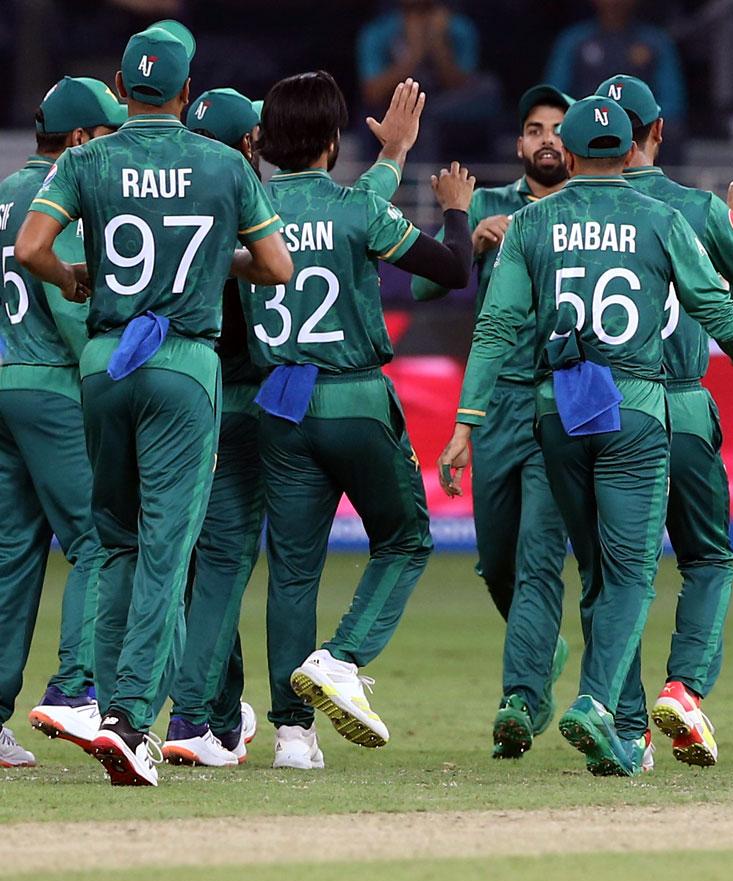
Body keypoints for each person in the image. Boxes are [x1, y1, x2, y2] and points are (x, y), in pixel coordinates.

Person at [438, 95, 733, 777]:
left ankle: (621, 726)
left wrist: (466, 422)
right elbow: (709, 301)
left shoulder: (532, 222)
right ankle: (598, 704)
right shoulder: (662, 216)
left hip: (558, 408)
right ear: (634, 147)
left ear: (575, 151)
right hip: (636, 408)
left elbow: (497, 328)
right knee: (631, 573)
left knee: (592, 571)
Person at [15, 20, 294, 787]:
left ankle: (108, 708)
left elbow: (35, 249)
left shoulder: (88, 156)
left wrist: (77, 280)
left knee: (111, 543)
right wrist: (209, 262)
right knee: (169, 548)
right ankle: (134, 722)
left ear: (124, 86)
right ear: (186, 92)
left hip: (104, 359)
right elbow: (275, 264)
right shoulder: (219, 162)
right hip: (181, 362)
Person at [163, 83, 424, 770]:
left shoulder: (213, 216)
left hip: (210, 401)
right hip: (274, 398)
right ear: (251, 143)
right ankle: (223, 713)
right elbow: (369, 226)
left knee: (232, 566)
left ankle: (237, 720)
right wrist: (394, 158)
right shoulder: (269, 210)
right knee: (231, 562)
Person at [246, 71, 473, 768]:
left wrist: (395, 152)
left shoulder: (245, 209)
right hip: (353, 397)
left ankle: (291, 736)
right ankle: (341, 659)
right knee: (404, 541)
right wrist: (458, 212)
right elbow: (452, 269)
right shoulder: (354, 211)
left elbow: (357, 198)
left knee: (290, 570)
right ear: (331, 139)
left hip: (278, 402)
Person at [597, 73, 733, 767]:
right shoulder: (698, 210)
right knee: (706, 556)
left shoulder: (566, 211)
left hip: (596, 408)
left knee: (617, 572)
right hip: (676, 401)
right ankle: (683, 689)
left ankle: (624, 725)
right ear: (657, 131)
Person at [412, 84, 574, 762]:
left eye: (558, 129)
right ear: (518, 144)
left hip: (563, 397)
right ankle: (545, 648)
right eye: (535, 128)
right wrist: (465, 236)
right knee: (497, 561)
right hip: (499, 401)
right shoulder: (488, 206)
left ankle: (521, 699)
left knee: (539, 558)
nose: (546, 140)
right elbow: (422, 285)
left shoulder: (590, 215)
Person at [0, 77, 125, 769]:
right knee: (99, 539)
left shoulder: (1, 193)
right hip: (51, 385)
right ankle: (75, 689)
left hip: (2, 380)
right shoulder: (66, 191)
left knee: (12, 553)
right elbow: (72, 307)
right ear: (80, 140)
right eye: (105, 138)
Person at [357, 0, 501, 161]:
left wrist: (438, 43)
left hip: (446, 106)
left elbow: (459, 83)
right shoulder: (379, 31)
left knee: (489, 88)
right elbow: (372, 93)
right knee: (413, 114)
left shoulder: (458, 28)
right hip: (398, 103)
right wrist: (414, 55)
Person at [545, 1, 685, 124]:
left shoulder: (657, 43)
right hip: (583, 127)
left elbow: (672, 102)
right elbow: (554, 95)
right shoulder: (573, 41)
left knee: (670, 130)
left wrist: (634, 122)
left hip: (639, 130)